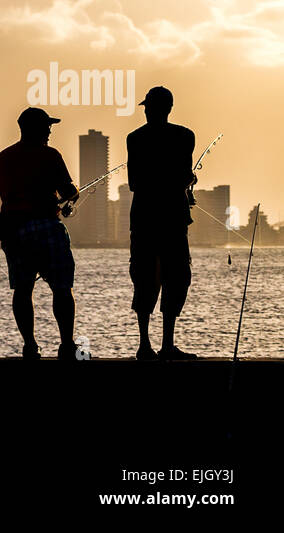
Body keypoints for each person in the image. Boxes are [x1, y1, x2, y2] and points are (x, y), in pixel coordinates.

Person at [0, 107, 86, 360]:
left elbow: (4, 193)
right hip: (45, 227)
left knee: (22, 290)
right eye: (47, 126)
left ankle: (30, 346)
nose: (50, 130)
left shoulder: (2, 159)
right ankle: (66, 346)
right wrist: (74, 192)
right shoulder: (49, 155)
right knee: (62, 288)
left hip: (14, 231)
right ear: (36, 128)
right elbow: (67, 191)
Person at [126, 86, 197, 361]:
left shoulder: (135, 138)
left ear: (153, 108)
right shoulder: (184, 136)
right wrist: (188, 181)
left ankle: (144, 345)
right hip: (173, 219)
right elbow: (183, 176)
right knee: (176, 278)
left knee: (144, 278)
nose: (145, 111)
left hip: (143, 219)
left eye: (147, 107)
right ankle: (167, 345)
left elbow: (134, 182)